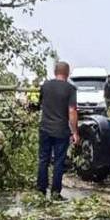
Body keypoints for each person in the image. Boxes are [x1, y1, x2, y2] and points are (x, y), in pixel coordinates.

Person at [37, 61, 79, 199]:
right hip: (61, 130)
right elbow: (72, 111)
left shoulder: (45, 86)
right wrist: (75, 132)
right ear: (67, 73)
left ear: (55, 72)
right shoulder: (70, 89)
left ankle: (41, 191)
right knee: (59, 162)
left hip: (45, 128)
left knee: (43, 159)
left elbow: (40, 104)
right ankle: (55, 193)